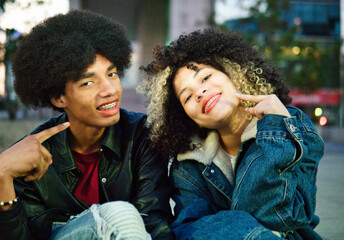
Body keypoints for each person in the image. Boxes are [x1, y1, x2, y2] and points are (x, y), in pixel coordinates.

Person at [0, 10, 173, 240]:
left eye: (112, 74)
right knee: (119, 213)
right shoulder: (32, 157)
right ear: (58, 97)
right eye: (88, 82)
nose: (110, 90)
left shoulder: (140, 136)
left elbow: (153, 224)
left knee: (122, 216)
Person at [138, 29, 324, 240]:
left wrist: (276, 131)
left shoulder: (294, 127)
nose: (199, 92)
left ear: (232, 72)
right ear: (185, 116)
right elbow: (191, 230)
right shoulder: (188, 163)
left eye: (206, 77)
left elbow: (283, 217)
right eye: (187, 97)